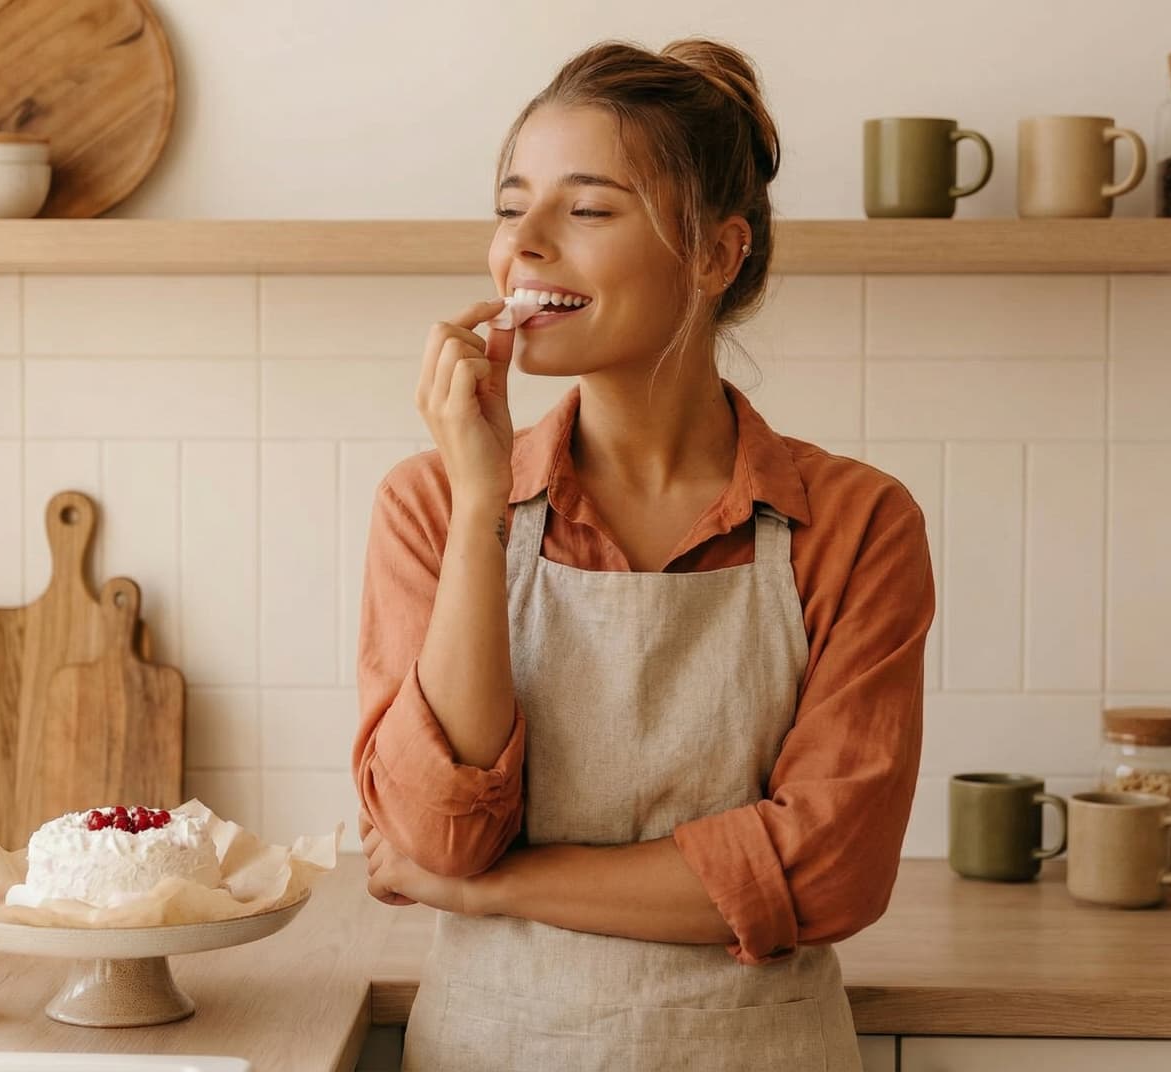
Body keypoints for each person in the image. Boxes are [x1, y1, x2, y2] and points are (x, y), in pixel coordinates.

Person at [352, 36, 935, 1072]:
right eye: (508, 205)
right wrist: (486, 497)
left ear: (717, 254)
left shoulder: (857, 525)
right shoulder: (434, 502)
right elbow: (440, 833)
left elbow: (828, 874)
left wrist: (491, 888)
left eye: (584, 210)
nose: (522, 244)